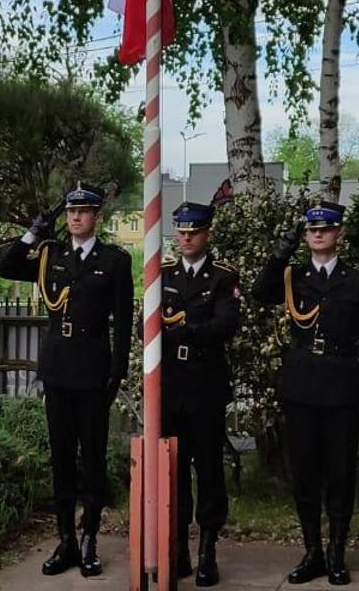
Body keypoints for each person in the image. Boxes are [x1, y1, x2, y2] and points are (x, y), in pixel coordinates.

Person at [0, 183, 134, 577]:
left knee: (91, 459)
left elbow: (123, 321)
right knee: (61, 460)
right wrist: (32, 232)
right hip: (57, 369)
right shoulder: (49, 255)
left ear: (96, 217)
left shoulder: (115, 260)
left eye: (84, 211)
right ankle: (66, 541)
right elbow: (4, 268)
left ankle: (89, 539)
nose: (76, 217)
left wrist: (118, 370)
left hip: (92, 370)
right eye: (71, 212)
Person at [251, 200, 359, 586]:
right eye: (311, 230)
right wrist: (284, 247)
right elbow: (261, 291)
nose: (318, 234)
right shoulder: (294, 277)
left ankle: (337, 552)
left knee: (341, 475)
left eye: (325, 228)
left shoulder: (357, 282)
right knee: (304, 474)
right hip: (303, 387)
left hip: (342, 389)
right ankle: (313, 552)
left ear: (338, 233)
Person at [159, 201, 242, 586]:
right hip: (172, 386)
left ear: (207, 233)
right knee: (173, 473)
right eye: (182, 231)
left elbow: (226, 325)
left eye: (194, 231)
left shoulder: (223, 277)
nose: (187, 237)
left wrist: (187, 332)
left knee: (208, 471)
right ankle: (177, 550)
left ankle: (208, 549)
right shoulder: (162, 274)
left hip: (206, 386)